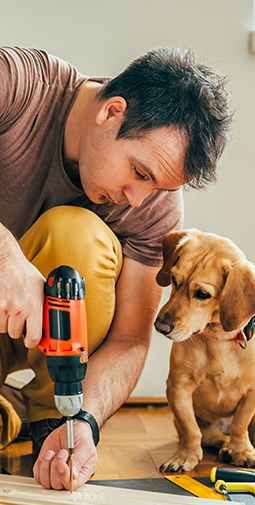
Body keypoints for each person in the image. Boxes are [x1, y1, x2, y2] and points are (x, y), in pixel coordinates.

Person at [0, 45, 232, 490]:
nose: (138, 199)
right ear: (112, 111)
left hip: (48, 355)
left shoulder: (153, 203)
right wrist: (7, 255)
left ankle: (54, 420)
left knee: (76, 236)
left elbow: (129, 339)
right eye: (140, 172)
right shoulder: (17, 84)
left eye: (158, 187)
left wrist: (86, 420)